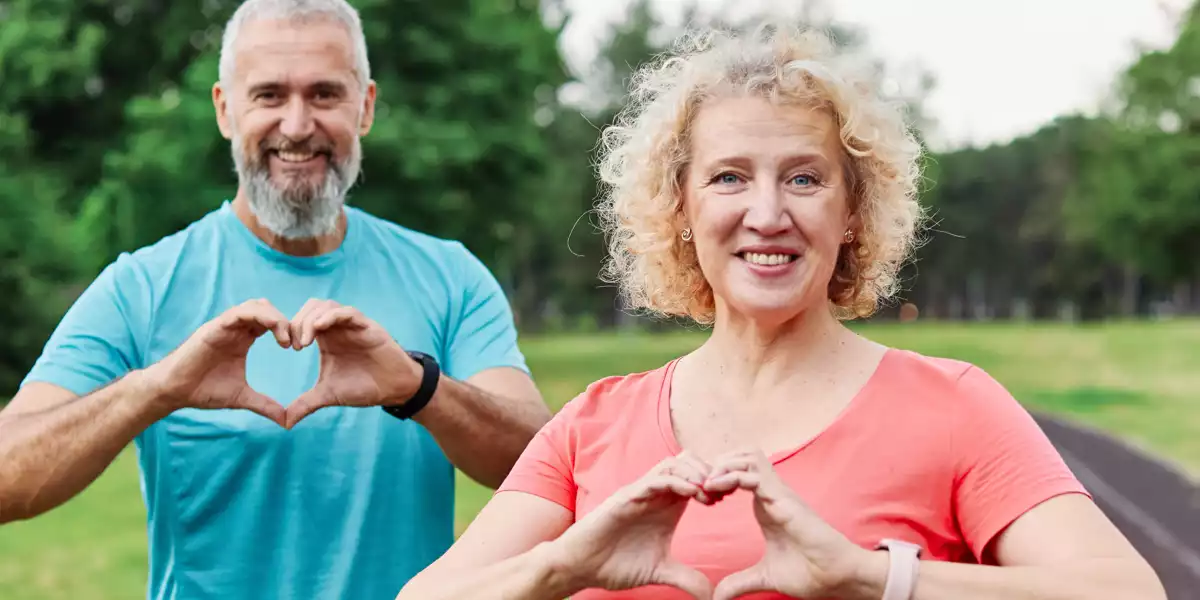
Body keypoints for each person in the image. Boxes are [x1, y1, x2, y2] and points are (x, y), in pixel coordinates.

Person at [395, 22, 1167, 600]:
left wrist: (872, 578)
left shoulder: (954, 406)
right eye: (730, 177)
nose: (767, 214)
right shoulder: (593, 425)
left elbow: (1125, 591)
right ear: (681, 211)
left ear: (854, 211)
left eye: (804, 179)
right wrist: (563, 565)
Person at [0, 0, 551, 598]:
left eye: (323, 94)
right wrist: (156, 388)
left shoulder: (450, 276)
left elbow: (546, 467)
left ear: (364, 107)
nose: (295, 125)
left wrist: (417, 388)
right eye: (267, 95)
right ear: (224, 110)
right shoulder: (142, 287)